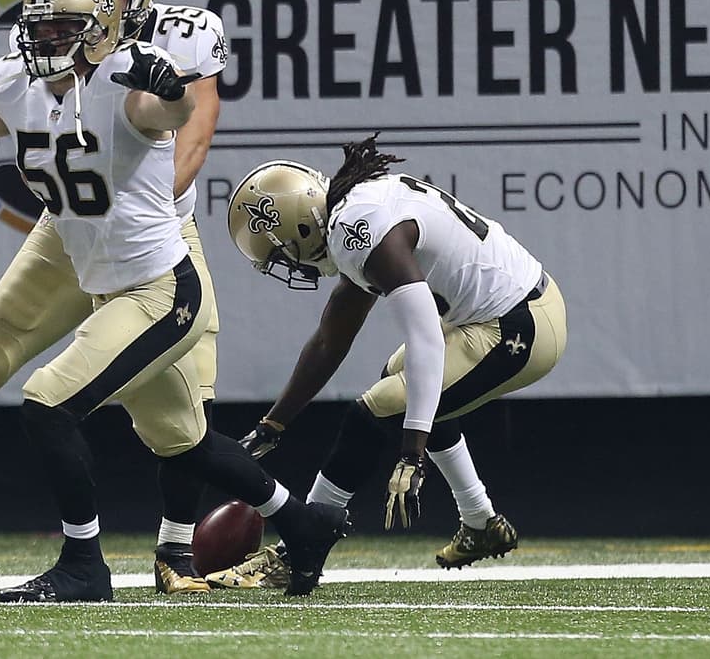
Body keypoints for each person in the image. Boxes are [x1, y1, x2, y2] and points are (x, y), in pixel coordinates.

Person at [0, 0, 349, 600]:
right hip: (109, 282)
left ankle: (83, 564)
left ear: (101, 31)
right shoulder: (17, 83)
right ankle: (305, 524)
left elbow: (169, 111)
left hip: (161, 290)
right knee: (183, 439)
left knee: (48, 403)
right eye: (39, 30)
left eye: (62, 30)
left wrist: (173, 87)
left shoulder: (125, 81)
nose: (44, 42)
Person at [210, 136, 566, 585]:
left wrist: (411, 451)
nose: (290, 266)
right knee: (400, 386)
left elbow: (425, 339)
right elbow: (331, 339)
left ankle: (302, 545)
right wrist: (274, 424)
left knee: (380, 406)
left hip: (519, 324)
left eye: (281, 253)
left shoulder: (358, 229)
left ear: (300, 227)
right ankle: (480, 522)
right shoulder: (353, 214)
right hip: (503, 311)